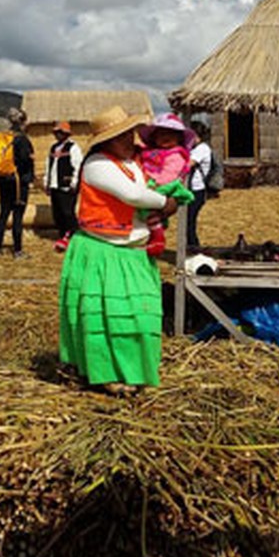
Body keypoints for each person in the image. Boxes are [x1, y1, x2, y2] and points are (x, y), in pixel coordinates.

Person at [58, 105, 181, 397]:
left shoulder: (136, 162)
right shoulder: (97, 164)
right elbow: (133, 194)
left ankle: (133, 369)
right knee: (105, 318)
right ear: (106, 141)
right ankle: (105, 375)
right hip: (104, 252)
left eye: (131, 133)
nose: (131, 139)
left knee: (140, 316)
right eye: (122, 135)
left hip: (135, 253)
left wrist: (168, 202)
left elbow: (152, 188)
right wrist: (166, 203)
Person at [137, 113, 197, 256]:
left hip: (164, 186)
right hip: (149, 183)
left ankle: (157, 235)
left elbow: (169, 174)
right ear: (154, 138)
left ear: (179, 138)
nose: (165, 137)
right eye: (161, 134)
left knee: (150, 212)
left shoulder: (175, 155)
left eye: (170, 134)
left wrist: (153, 185)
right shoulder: (151, 153)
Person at [0, 107, 34, 258]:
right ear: (22, 122)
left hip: (2, 179)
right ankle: (18, 251)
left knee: (4, 212)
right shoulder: (22, 139)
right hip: (18, 182)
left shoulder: (0, 138)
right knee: (18, 216)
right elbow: (25, 160)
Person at [43, 120, 82, 252]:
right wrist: (46, 182)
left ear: (66, 134)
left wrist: (74, 182)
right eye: (56, 133)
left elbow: (78, 166)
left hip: (67, 186)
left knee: (67, 212)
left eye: (60, 132)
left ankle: (72, 235)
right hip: (55, 185)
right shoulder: (53, 148)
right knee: (58, 212)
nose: (57, 135)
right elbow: (49, 166)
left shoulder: (73, 148)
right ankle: (62, 235)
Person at [186, 121, 213, 251]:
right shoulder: (197, 148)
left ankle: (194, 247)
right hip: (193, 189)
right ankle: (191, 246)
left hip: (197, 190)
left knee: (189, 221)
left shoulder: (202, 149)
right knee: (188, 221)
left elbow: (188, 164)